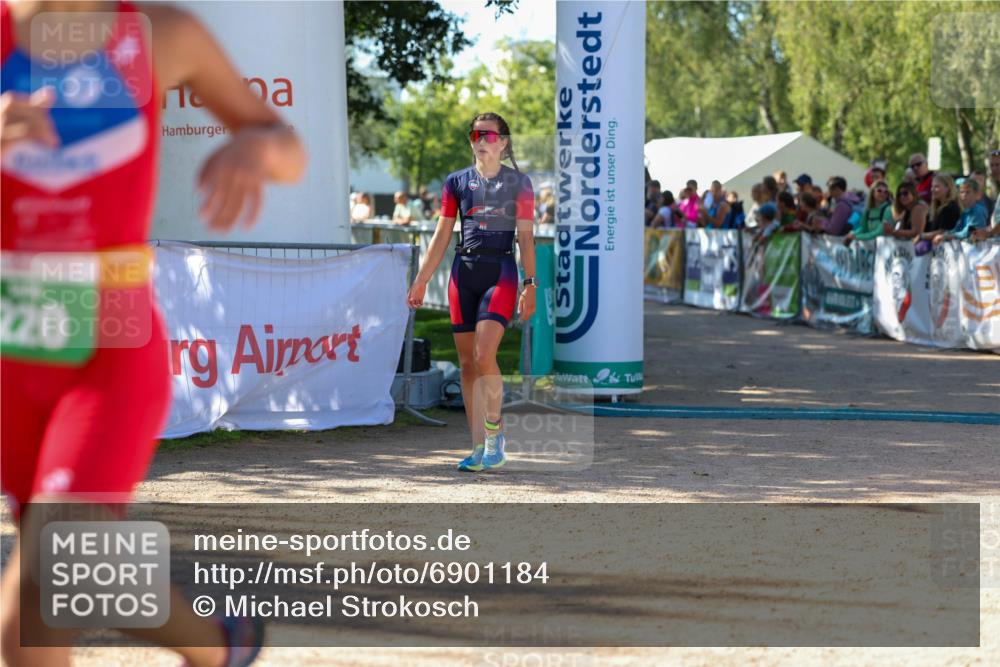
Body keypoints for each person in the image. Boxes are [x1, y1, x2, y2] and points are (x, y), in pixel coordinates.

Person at [0, 1, 307, 666]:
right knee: (73, 571)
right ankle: (220, 642)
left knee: (32, 602)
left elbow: (287, 148)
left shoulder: (162, 33)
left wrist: (256, 144)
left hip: (109, 347)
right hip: (11, 350)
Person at [406, 112, 535, 472]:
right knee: (466, 365)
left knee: (483, 355)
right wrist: (422, 278)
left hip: (502, 271)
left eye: (489, 135)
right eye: (475, 134)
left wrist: (530, 284)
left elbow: (525, 236)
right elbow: (442, 234)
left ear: (503, 142)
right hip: (464, 273)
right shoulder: (456, 182)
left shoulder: (519, 183)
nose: (481, 140)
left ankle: (496, 436)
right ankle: (478, 448)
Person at [933, 178, 989, 246]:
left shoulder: (978, 211)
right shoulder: (965, 211)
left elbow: (968, 232)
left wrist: (946, 236)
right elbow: (957, 228)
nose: (964, 195)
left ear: (977, 194)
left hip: (979, 248)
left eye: (968, 192)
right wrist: (945, 234)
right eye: (962, 192)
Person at [917, 174, 961, 249]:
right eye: (932, 186)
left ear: (947, 188)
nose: (932, 189)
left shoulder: (950, 208)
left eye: (936, 187)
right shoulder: (937, 207)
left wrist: (921, 236)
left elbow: (943, 231)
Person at [844, 180, 892, 247]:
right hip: (870, 248)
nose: (882, 193)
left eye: (886, 192)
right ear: (872, 192)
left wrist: (857, 237)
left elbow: (880, 232)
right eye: (879, 191)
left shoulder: (888, 209)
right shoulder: (868, 211)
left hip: (884, 249)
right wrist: (853, 234)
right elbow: (864, 228)